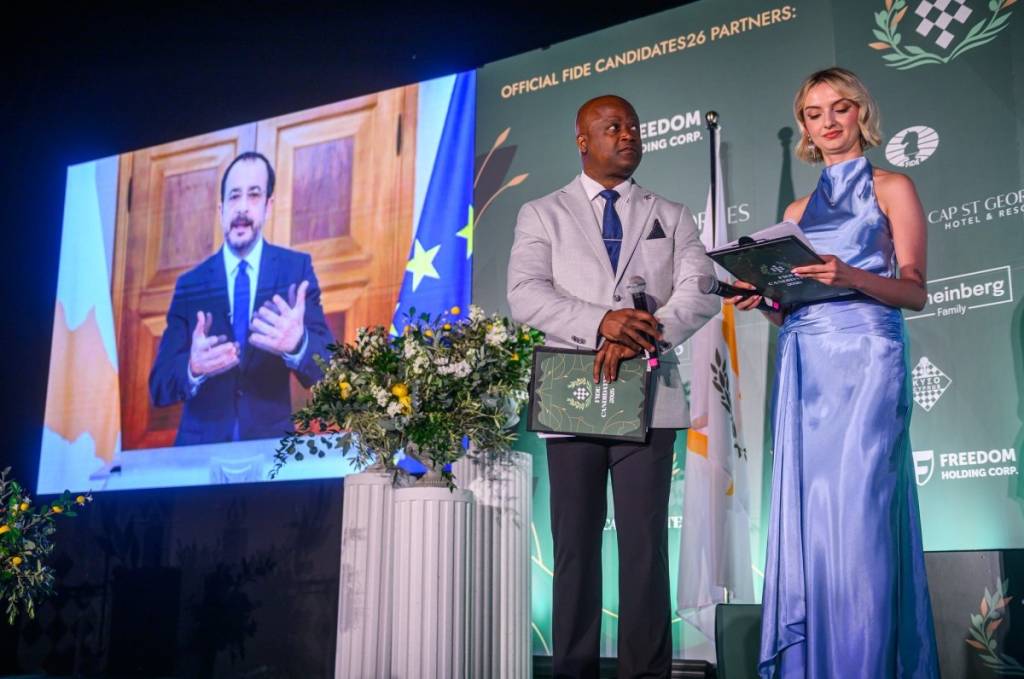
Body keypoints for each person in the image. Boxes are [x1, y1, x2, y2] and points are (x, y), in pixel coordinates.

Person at [728, 68, 939, 678]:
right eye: (814, 113)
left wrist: (850, 274)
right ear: (804, 125)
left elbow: (914, 291)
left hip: (867, 362)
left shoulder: (892, 186)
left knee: (862, 519)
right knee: (814, 518)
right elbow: (797, 303)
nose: (828, 122)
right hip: (806, 364)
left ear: (860, 113)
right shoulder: (796, 211)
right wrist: (767, 301)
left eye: (839, 108)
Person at [507, 94, 716, 678]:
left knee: (644, 547)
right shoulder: (541, 213)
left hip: (649, 395)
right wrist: (604, 321)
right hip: (572, 395)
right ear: (583, 140)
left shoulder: (672, 214)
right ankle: (573, 671)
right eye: (613, 126)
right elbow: (525, 294)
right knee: (574, 547)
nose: (628, 135)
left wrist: (639, 335)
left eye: (634, 126)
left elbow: (700, 291)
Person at [149, 152, 333, 446]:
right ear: (221, 209)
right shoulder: (189, 285)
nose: (242, 207)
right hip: (201, 452)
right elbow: (159, 387)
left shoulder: (295, 271)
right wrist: (192, 367)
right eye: (234, 196)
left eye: (254, 195)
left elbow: (332, 374)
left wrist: (299, 344)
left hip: (270, 451)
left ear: (268, 206)